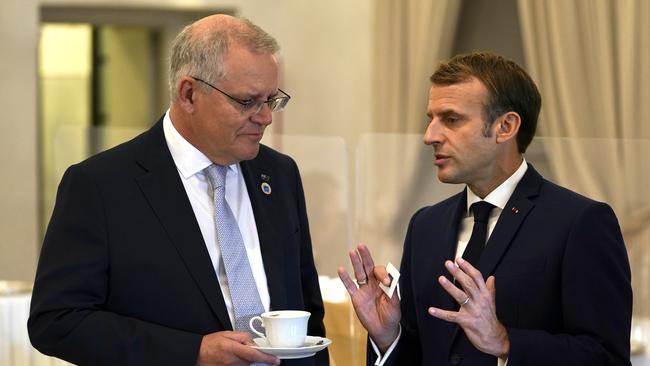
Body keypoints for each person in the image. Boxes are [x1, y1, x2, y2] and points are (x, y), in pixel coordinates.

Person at [29, 14, 328, 366]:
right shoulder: (101, 186)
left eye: (271, 100)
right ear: (189, 94)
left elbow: (305, 308)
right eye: (248, 102)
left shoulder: (278, 175)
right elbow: (58, 321)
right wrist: (193, 353)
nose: (265, 117)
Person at [338, 52, 632, 365]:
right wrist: (388, 336)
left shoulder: (580, 222)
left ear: (505, 126)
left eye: (451, 119)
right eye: (431, 120)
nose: (430, 136)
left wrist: (505, 342)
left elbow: (607, 358)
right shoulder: (425, 225)